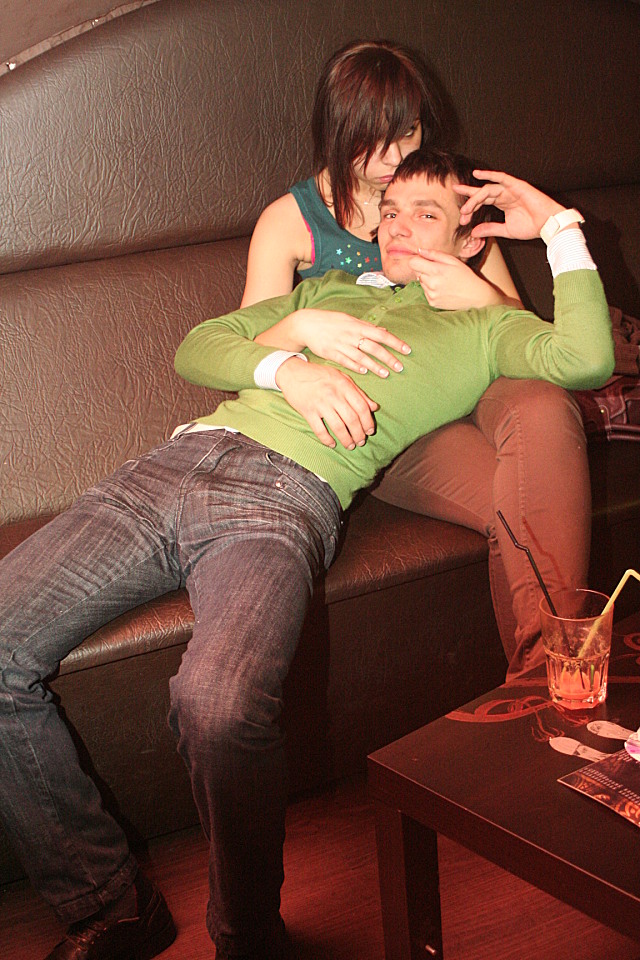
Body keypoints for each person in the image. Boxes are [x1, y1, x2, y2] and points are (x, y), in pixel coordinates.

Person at [0, 151, 613, 960]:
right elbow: (198, 348)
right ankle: (109, 905)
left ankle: (248, 934)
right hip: (165, 469)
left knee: (219, 705)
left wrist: (559, 227)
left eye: (425, 213)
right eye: (390, 212)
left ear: (472, 239)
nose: (397, 226)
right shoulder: (327, 292)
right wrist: (288, 352)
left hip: (281, 498)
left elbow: (586, 360)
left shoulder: (490, 327)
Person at [241, 39, 593, 677]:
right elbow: (251, 351)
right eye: (368, 138)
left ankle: (547, 687)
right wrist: (309, 344)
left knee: (544, 402)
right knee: (530, 505)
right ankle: (556, 677)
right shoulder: (290, 222)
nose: (392, 158)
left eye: (406, 133)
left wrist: (482, 291)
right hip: (388, 413)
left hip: (475, 379)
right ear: (333, 131)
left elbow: (519, 335)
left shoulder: (445, 192)